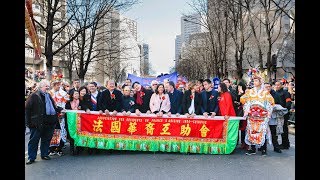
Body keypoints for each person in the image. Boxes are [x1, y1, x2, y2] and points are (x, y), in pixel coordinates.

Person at [25, 79, 63, 165]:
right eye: (46, 86)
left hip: (49, 122)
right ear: (41, 86)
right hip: (37, 123)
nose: (48, 87)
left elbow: (53, 107)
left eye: (48, 86)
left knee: (46, 140)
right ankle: (31, 157)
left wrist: (59, 109)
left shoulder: (48, 95)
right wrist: (28, 123)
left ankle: (44, 154)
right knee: (34, 141)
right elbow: (27, 109)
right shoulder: (34, 96)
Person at [240, 72, 274, 156]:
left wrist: (267, 112)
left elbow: (271, 102)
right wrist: (247, 108)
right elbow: (243, 100)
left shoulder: (265, 92)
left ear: (260, 82)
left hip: (262, 116)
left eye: (256, 81)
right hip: (252, 116)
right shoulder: (250, 92)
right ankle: (253, 149)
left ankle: (263, 149)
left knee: (262, 131)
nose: (254, 82)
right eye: (254, 81)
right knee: (252, 131)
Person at [264, 82, 285, 153]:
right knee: (263, 132)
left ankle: (276, 147)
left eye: (269, 86)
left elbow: (280, 104)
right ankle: (263, 148)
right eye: (266, 87)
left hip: (273, 116)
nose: (268, 88)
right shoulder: (261, 95)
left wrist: (274, 107)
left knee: (274, 132)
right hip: (263, 116)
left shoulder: (276, 95)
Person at [274, 81, 292, 149]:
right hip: (277, 113)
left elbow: (288, 103)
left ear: (282, 85)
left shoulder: (285, 93)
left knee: (284, 129)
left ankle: (285, 144)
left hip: (284, 113)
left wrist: (285, 110)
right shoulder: (275, 93)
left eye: (278, 85)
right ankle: (284, 143)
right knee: (279, 129)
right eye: (276, 85)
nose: (277, 86)